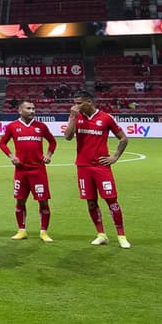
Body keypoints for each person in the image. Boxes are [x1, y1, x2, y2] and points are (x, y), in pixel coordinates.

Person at [64, 90, 131, 248]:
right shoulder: (76, 117)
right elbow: (67, 137)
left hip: (101, 166)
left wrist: (114, 157)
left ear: (89, 102)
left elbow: (123, 138)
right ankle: (101, 234)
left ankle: (121, 236)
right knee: (91, 201)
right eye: (75, 103)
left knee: (111, 200)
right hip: (83, 166)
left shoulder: (106, 118)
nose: (76, 106)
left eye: (79, 103)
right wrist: (73, 117)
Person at [0, 98, 58, 242]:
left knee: (43, 201)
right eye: (29, 108)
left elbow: (52, 141)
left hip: (38, 170)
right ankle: (21, 230)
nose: (32, 111)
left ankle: (43, 232)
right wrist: (11, 156)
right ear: (20, 110)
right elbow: (2, 143)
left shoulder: (41, 126)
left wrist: (49, 155)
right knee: (20, 201)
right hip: (21, 171)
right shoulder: (13, 126)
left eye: (33, 108)